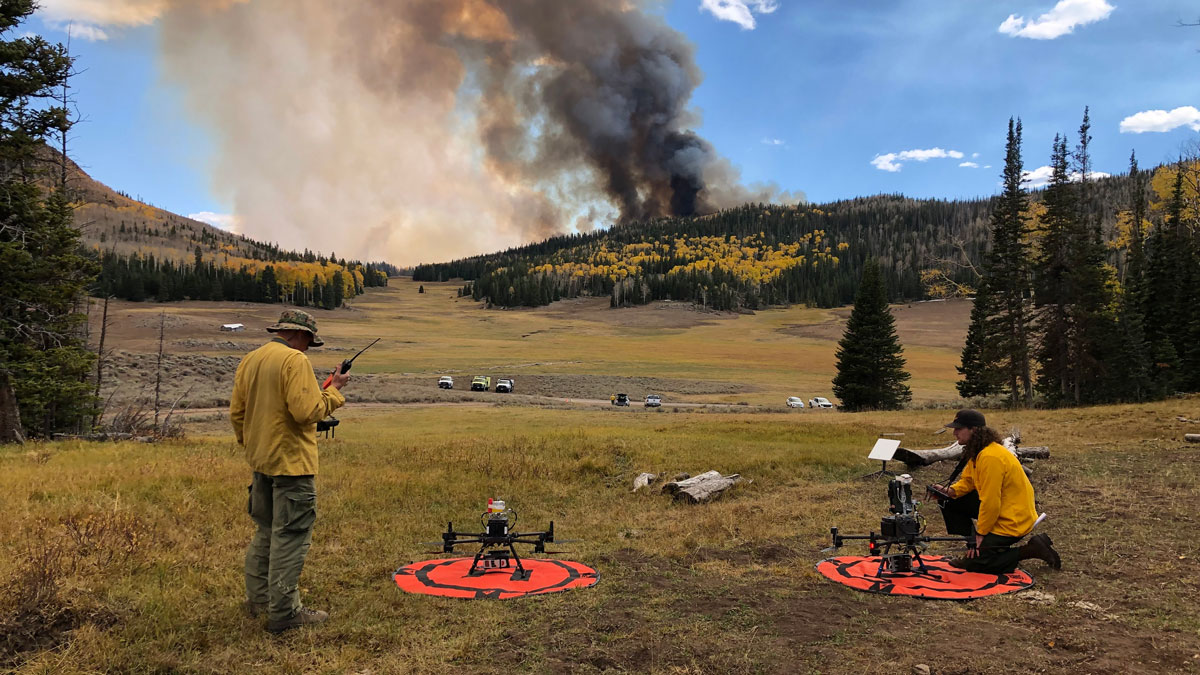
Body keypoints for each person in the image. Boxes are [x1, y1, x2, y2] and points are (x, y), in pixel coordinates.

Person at [230, 309, 349, 634]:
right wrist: (334, 391)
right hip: (292, 466)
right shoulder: (294, 361)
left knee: (266, 531)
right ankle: (284, 611)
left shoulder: (252, 359)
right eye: (309, 341)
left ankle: (259, 601)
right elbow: (306, 411)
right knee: (291, 535)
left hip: (261, 463)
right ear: (300, 335)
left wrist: (253, 444)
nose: (309, 348)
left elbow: (237, 412)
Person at [927, 409, 1061, 573]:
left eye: (958, 428)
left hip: (1013, 519)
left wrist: (981, 533)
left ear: (973, 430)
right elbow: (968, 481)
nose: (954, 432)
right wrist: (950, 492)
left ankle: (1032, 550)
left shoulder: (990, 457)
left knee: (977, 564)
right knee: (947, 500)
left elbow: (991, 501)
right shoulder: (979, 452)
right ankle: (973, 545)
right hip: (1000, 511)